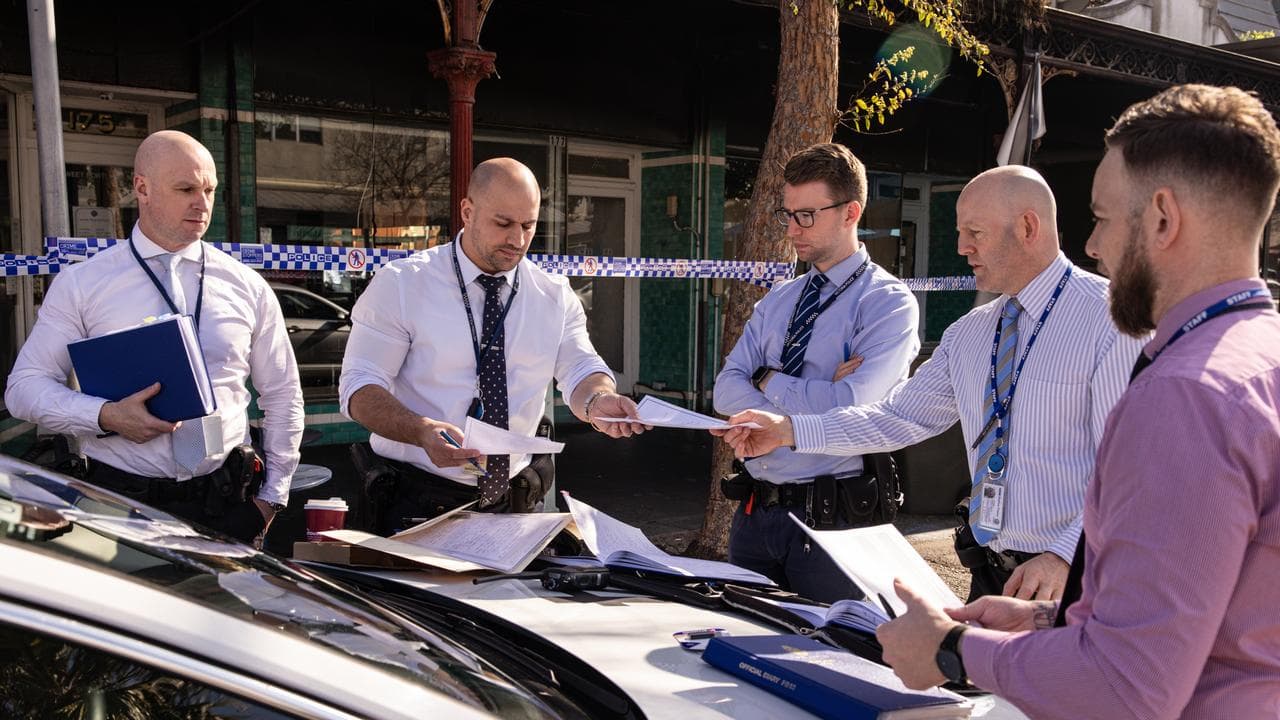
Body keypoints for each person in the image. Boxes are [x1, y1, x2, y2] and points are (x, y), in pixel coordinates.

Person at [874, 84, 1280, 719]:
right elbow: (1213, 613)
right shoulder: (1259, 356)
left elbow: (1126, 687)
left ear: (1165, 219)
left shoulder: (1186, 396)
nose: (1092, 246)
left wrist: (951, 649)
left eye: (1102, 218)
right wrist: (1048, 619)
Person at [720, 165, 1144, 601]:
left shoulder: (1113, 322)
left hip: (1078, 578)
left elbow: (1136, 467)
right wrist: (787, 432)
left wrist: (1065, 555)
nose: (962, 247)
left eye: (974, 232)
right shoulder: (971, 333)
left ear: (1028, 226)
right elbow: (897, 417)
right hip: (991, 574)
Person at [5, 130, 305, 544]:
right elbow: (24, 389)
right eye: (185, 189)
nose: (202, 204)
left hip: (228, 502)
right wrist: (105, 415)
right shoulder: (83, 284)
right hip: (118, 504)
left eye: (209, 189)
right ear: (141, 188)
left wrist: (273, 498)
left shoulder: (246, 285)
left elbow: (283, 393)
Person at [340, 158, 646, 534]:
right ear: (467, 212)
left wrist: (599, 402)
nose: (517, 240)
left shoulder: (551, 294)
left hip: (513, 503)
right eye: (503, 223)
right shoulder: (403, 285)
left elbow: (581, 367)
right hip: (415, 498)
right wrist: (419, 430)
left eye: (528, 225)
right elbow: (358, 387)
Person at [710, 143, 920, 602]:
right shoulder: (779, 300)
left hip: (836, 520)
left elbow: (855, 408)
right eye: (787, 214)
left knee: (830, 656)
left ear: (851, 212)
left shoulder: (886, 303)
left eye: (806, 215)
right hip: (754, 514)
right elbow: (725, 391)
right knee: (745, 649)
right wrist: (820, 391)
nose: (791, 229)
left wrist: (767, 379)